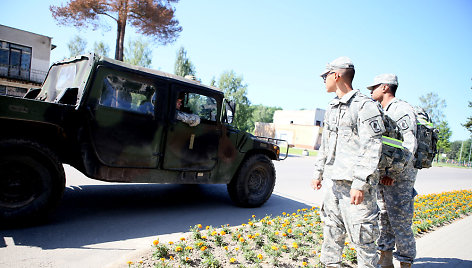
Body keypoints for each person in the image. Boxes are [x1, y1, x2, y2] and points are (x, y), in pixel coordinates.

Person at [311, 57, 384, 268]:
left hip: (355, 187)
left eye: (325, 76)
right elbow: (325, 144)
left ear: (336, 75)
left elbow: (372, 146)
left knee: (364, 241)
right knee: (331, 234)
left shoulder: (364, 106)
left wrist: (360, 183)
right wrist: (318, 173)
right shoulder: (332, 107)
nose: (323, 80)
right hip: (334, 185)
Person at [367, 74, 417, 268]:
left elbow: (409, 145)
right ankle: (385, 259)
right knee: (384, 218)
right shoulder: (383, 109)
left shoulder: (401, 110)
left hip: (399, 177)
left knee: (401, 221)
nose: (371, 91)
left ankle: (405, 263)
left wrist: (394, 174)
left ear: (386, 87)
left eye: (374, 87)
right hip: (384, 174)